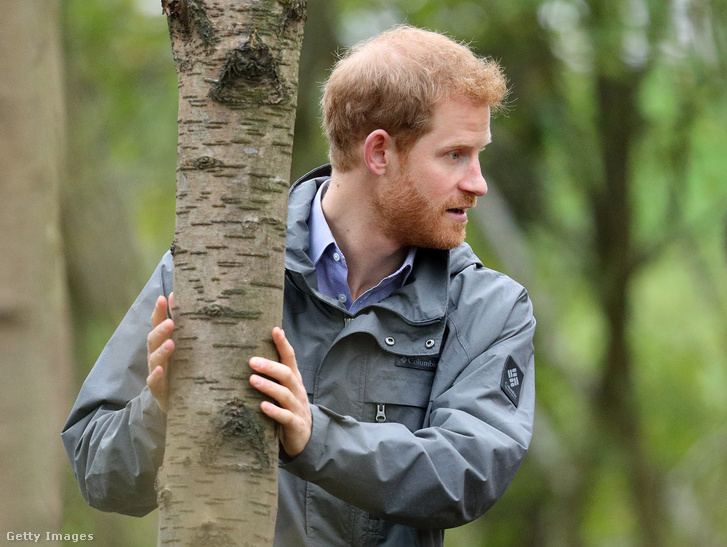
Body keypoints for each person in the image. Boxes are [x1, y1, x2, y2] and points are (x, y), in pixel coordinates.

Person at [62, 25, 536, 546]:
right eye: (455, 155)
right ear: (379, 152)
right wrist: (164, 412)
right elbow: (97, 472)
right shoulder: (214, 265)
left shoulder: (490, 307)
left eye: (478, 154)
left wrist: (315, 439)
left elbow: (467, 472)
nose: (478, 182)